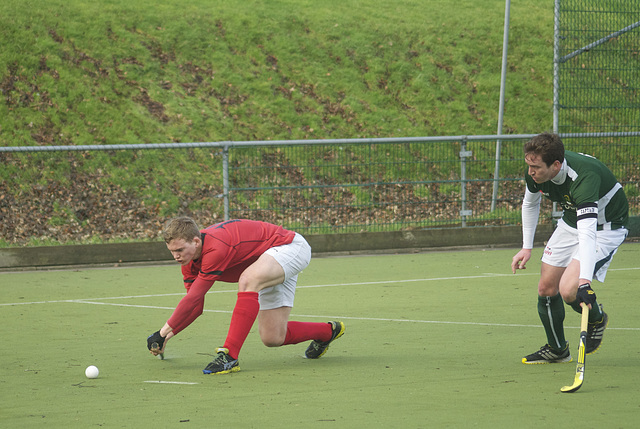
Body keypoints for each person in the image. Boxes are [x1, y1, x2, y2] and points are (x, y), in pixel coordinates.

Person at [146, 217, 345, 374]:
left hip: (289, 248)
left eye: (180, 250)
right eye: (172, 251)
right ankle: (328, 332)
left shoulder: (216, 247)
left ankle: (229, 356)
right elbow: (195, 306)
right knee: (273, 337)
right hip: (266, 262)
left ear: (196, 241)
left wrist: (161, 332)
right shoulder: (188, 263)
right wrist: (167, 336)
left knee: (247, 280)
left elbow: (194, 298)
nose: (176, 256)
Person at [511, 133, 628, 364]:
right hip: (571, 220)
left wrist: (584, 281)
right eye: (529, 165)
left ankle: (596, 318)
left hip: (606, 227)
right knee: (546, 287)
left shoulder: (583, 178)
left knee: (569, 290)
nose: (531, 172)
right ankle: (557, 350)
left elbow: (588, 232)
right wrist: (526, 247)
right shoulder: (535, 170)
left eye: (536, 167)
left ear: (556, 165)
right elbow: (530, 203)